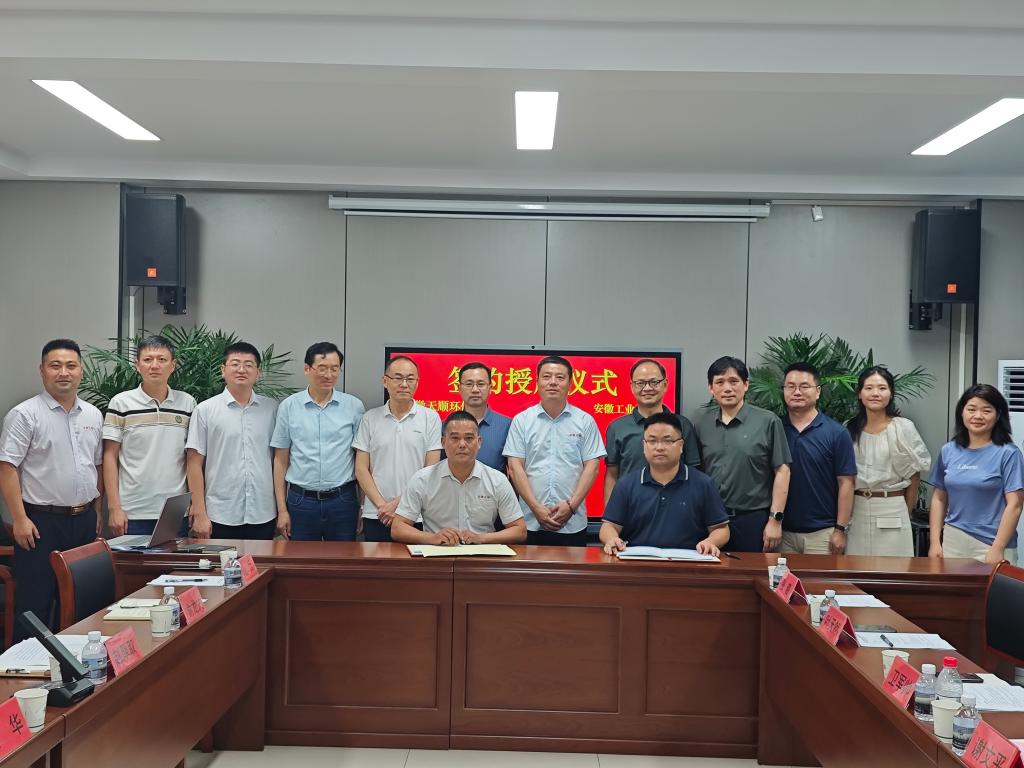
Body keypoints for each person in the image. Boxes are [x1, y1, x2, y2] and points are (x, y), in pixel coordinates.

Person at [0, 339, 103, 638]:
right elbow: (7, 468)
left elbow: (95, 466)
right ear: (42, 370)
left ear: (81, 370)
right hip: (39, 523)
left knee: (83, 603)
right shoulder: (25, 414)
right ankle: (27, 666)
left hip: (84, 521)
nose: (63, 372)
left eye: (71, 366)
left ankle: (77, 664)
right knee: (35, 604)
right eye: (55, 366)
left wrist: (96, 511)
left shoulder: (93, 415)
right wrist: (19, 518)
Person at [503, 355, 606, 546]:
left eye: (560, 377)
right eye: (546, 376)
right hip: (530, 521)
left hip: (573, 522)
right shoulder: (522, 421)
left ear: (570, 383)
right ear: (537, 382)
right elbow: (515, 468)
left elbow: (592, 468)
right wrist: (535, 508)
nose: (553, 382)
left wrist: (571, 506)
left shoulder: (585, 421)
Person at [694, 356, 791, 552]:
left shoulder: (768, 421)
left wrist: (775, 520)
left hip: (753, 520)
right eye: (720, 382)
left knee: (752, 570)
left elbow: (782, 470)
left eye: (734, 381)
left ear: (746, 385)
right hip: (711, 520)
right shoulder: (701, 425)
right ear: (711, 388)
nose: (727, 388)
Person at [102, 335, 195, 537]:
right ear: (137, 365)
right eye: (147, 360)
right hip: (132, 511)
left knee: (175, 559)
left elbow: (192, 458)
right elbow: (109, 456)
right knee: (133, 560)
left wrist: (195, 504)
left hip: (175, 511)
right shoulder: (121, 403)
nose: (154, 365)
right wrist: (114, 507)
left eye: (162, 359)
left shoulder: (187, 403)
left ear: (173, 365)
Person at [601, 411, 729, 557]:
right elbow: (609, 526)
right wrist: (611, 539)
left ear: (681, 445)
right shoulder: (626, 485)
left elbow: (721, 529)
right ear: (644, 445)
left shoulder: (703, 484)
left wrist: (711, 542)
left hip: (690, 563)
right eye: (652, 441)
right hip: (637, 562)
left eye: (667, 441)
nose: (659, 447)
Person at [272, 342, 364, 541]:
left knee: (343, 559)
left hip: (343, 500)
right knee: (301, 559)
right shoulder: (289, 406)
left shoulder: (354, 406)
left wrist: (363, 506)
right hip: (301, 502)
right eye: (322, 368)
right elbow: (280, 460)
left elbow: (362, 460)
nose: (328, 375)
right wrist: (282, 510)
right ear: (307, 369)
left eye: (334, 369)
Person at [185, 342, 278, 540]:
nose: (241, 370)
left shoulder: (273, 409)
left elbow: (280, 461)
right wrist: (199, 512)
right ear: (223, 370)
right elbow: (194, 463)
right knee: (220, 561)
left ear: (258, 372)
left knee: (262, 561)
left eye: (248, 365)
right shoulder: (205, 410)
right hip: (219, 513)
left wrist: (283, 510)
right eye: (235, 364)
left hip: (263, 512)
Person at [391, 411, 526, 545]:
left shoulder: (497, 480)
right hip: (437, 553)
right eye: (455, 438)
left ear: (479, 442)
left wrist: (482, 538)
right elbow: (398, 528)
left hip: (482, 553)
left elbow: (519, 530)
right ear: (443, 442)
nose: (462, 444)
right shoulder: (422, 479)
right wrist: (432, 538)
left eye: (469, 438)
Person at [929, 383, 1024, 565]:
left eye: (986, 411)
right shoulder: (948, 450)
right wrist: (935, 542)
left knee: (996, 586)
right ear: (962, 412)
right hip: (953, 540)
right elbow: (939, 498)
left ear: (998, 415)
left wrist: (998, 548)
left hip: (992, 543)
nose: (978, 416)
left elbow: (1015, 505)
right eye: (971, 409)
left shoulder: (1009, 453)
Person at [845, 366, 931, 557]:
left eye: (882, 388)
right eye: (869, 388)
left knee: (894, 568)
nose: (875, 393)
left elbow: (914, 475)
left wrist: (906, 511)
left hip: (892, 505)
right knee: (855, 568)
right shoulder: (849, 428)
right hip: (856, 508)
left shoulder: (903, 427)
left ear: (891, 393)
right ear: (859, 393)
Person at [354, 356, 442, 542]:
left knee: (412, 561)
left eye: (410, 379)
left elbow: (431, 470)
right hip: (377, 513)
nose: (404, 384)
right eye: (398, 378)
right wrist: (382, 506)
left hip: (415, 513)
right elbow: (361, 469)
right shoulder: (370, 418)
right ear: (385, 381)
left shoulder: (430, 418)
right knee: (375, 561)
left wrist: (398, 504)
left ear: (417, 382)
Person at [779, 363, 857, 555]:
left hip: (823, 534)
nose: (797, 392)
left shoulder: (837, 433)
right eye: (790, 386)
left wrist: (840, 529)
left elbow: (846, 483)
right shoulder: (774, 428)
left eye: (804, 386)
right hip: (781, 532)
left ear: (818, 391)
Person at [604, 358, 700, 503]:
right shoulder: (617, 428)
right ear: (632, 386)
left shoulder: (683, 425)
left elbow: (694, 473)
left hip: (675, 506)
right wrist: (610, 513)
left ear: (665, 384)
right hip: (631, 507)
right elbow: (612, 475)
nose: (647, 388)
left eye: (654, 382)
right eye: (640, 383)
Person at [453, 361, 512, 473]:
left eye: (481, 384)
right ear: (459, 388)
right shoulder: (446, 426)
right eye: (469, 384)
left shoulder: (507, 426)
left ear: (490, 388)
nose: (475, 390)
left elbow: (514, 469)